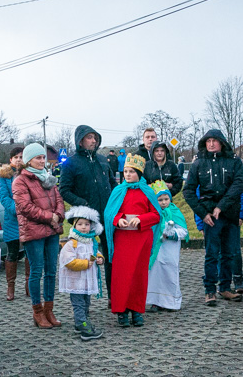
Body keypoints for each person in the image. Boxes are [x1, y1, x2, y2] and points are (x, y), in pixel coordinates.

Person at [184, 130, 243, 305]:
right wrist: (203, 214)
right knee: (212, 254)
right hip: (210, 216)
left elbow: (239, 184)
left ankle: (225, 288)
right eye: (208, 141)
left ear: (222, 142)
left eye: (214, 141)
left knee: (230, 253)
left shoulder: (234, 161)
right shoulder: (199, 163)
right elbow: (188, 191)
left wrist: (222, 206)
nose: (211, 144)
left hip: (230, 213)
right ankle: (210, 290)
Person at [104, 154, 162, 326]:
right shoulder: (118, 191)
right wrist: (118, 219)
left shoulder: (147, 192)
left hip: (141, 238)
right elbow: (108, 213)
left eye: (131, 172)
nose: (127, 175)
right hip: (122, 238)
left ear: (139, 173)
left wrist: (142, 220)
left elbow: (156, 214)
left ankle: (137, 310)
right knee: (121, 276)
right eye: (125, 171)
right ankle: (121, 311)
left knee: (138, 275)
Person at [60, 126, 116, 300]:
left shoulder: (102, 160)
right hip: (85, 219)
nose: (93, 141)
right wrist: (82, 205)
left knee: (110, 256)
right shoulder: (71, 163)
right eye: (89, 138)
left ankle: (113, 298)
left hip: (106, 215)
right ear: (80, 140)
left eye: (95, 138)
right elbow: (64, 190)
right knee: (84, 257)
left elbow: (113, 184)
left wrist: (116, 204)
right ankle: (83, 302)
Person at [13, 143, 65, 328]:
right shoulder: (21, 180)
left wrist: (58, 215)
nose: (42, 161)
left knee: (51, 271)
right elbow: (25, 207)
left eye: (43, 157)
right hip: (34, 232)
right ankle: (37, 311)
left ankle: (49, 309)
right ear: (28, 160)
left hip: (52, 230)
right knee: (37, 271)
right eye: (38, 158)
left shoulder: (49, 178)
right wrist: (49, 217)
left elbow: (59, 200)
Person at [58, 206, 105, 340]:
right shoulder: (71, 243)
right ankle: (83, 325)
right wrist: (84, 264)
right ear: (74, 225)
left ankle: (82, 322)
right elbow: (67, 260)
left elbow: (95, 252)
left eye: (87, 224)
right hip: (76, 281)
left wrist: (100, 258)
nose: (84, 227)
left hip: (86, 280)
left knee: (86, 302)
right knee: (78, 303)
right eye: (80, 224)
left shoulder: (91, 241)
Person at [145, 180, 188, 312]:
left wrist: (172, 233)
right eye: (160, 199)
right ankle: (155, 302)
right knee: (155, 275)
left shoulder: (174, 212)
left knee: (169, 274)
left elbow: (183, 231)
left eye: (166, 199)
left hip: (170, 250)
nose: (164, 202)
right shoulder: (152, 213)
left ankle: (171, 302)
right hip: (156, 252)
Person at [0, 146, 27, 301]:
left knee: (30, 252)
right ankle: (10, 287)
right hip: (12, 220)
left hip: (29, 220)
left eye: (21, 156)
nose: (18, 159)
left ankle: (29, 285)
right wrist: (17, 209)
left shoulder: (29, 174)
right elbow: (3, 197)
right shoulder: (5, 176)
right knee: (12, 253)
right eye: (15, 157)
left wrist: (28, 210)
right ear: (10, 160)